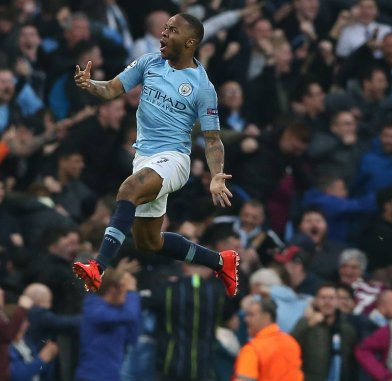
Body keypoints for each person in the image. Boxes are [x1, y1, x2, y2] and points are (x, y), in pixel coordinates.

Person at [70, 13, 239, 296]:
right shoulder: (149, 62)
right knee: (148, 241)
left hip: (174, 159)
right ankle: (222, 261)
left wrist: (216, 176)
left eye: (171, 30)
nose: (163, 34)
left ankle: (97, 267)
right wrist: (91, 85)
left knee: (129, 188)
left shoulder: (202, 87)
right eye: (164, 28)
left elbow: (212, 139)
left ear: (190, 42)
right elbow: (112, 88)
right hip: (144, 158)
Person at [74, 269, 141, 381]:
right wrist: (132, 293)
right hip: (91, 377)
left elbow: (133, 337)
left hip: (113, 376)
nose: (127, 296)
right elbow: (130, 315)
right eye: (125, 291)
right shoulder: (93, 305)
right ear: (112, 289)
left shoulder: (118, 312)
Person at [233, 297, 303, 381]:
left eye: (251, 315)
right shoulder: (292, 343)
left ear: (266, 317)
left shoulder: (253, 350)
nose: (246, 319)